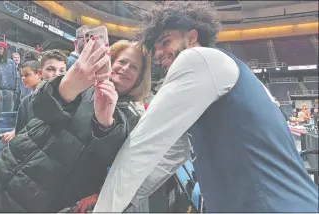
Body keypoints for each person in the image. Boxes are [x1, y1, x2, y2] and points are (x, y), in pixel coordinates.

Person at [93, 2, 319, 212]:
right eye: (155, 48)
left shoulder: (197, 58)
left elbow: (142, 145)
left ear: (192, 37)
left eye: (165, 41)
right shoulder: (227, 71)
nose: (158, 53)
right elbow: (172, 153)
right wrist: (127, 200)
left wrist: (103, 208)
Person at [0, 39, 151, 212]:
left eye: (134, 67)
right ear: (111, 60)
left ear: (140, 78)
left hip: (41, 200)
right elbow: (38, 108)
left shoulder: (136, 119)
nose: (125, 68)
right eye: (122, 61)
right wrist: (66, 89)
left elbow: (122, 169)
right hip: (2, 173)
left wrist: (106, 125)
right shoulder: (83, 81)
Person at [1, 50, 67, 144]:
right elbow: (21, 133)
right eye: (50, 69)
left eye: (62, 70)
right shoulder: (25, 103)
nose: (57, 74)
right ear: (40, 73)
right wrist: (15, 133)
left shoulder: (72, 101)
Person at [0, 41, 18, 113]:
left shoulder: (11, 63)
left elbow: (15, 77)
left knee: (8, 114)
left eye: (1, 49)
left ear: (5, 50)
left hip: (10, 91)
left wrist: (15, 92)